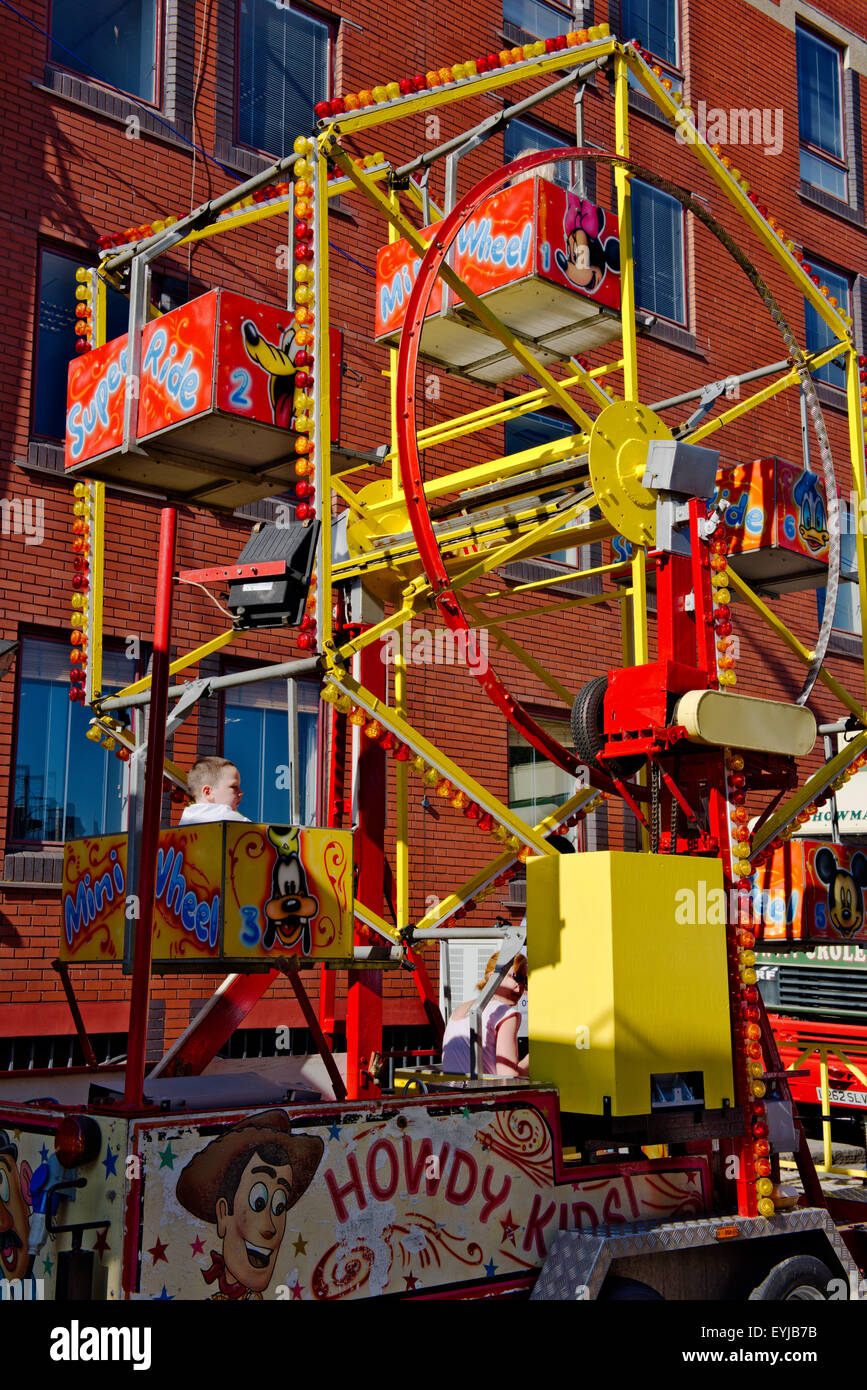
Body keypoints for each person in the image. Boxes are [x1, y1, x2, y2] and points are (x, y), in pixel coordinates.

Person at [440, 953, 528, 1078]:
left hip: (451, 1092)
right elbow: (508, 1078)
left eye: (525, 980)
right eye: (516, 977)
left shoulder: (459, 1010)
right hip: (482, 1094)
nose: (521, 986)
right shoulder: (505, 1013)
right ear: (493, 978)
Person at [179, 757, 249, 825]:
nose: (241, 792)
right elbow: (257, 831)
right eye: (234, 786)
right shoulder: (224, 815)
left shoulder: (187, 816)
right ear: (208, 792)